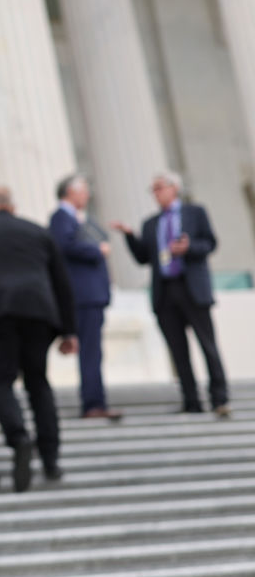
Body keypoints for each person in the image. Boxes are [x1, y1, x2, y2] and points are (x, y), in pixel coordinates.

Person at [0, 186, 78, 493]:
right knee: (38, 382)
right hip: (39, 313)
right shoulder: (37, 232)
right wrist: (69, 330)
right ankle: (51, 459)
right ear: (13, 206)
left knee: (2, 382)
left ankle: (19, 438)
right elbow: (62, 283)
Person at [111, 172, 230, 417]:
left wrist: (189, 248)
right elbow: (143, 258)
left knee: (208, 345)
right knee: (178, 350)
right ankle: (191, 401)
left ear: (174, 188)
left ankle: (219, 398)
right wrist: (130, 236)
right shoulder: (150, 224)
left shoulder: (195, 213)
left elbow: (210, 244)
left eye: (159, 188)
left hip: (192, 288)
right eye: (152, 189)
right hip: (165, 291)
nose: (156, 193)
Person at [49, 175, 122, 421]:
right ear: (70, 192)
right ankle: (93, 404)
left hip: (91, 294)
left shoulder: (81, 219)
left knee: (93, 351)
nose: (87, 196)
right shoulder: (61, 217)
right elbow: (64, 246)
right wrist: (96, 249)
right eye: (83, 191)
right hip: (82, 295)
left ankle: (96, 401)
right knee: (89, 351)